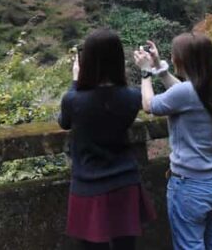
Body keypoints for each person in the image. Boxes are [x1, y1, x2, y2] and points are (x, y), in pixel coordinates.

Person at [59, 28, 156, 250]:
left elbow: (65, 122)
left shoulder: (73, 100)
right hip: (124, 181)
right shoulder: (131, 97)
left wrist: (75, 82)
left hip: (88, 184)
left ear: (87, 62)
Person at [134, 33, 212, 250]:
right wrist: (160, 67)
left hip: (190, 186)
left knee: (190, 246)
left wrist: (146, 72)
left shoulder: (187, 92)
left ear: (183, 60)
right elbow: (182, 93)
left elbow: (149, 105)